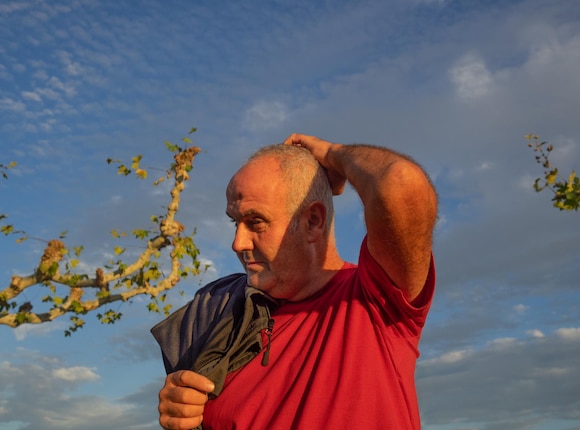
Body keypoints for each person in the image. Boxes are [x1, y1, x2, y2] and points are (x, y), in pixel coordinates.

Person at [153, 133, 438, 430]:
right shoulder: (225, 314)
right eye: (234, 223)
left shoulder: (376, 300)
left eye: (256, 222)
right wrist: (179, 406)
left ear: (313, 221)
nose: (238, 243)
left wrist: (332, 154)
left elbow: (401, 184)